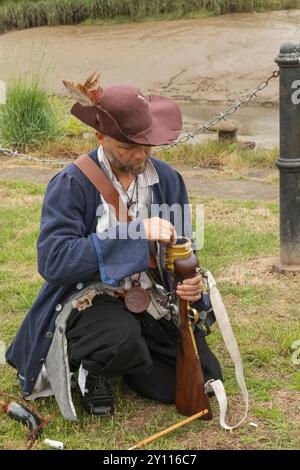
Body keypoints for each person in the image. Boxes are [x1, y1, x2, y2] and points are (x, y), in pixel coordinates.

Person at [6, 79, 222, 420]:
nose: (139, 155)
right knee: (119, 340)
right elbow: (54, 261)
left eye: (146, 145)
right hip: (89, 301)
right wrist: (136, 234)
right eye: (127, 147)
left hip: (149, 300)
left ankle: (130, 359)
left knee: (198, 376)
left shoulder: (168, 180)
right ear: (101, 138)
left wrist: (190, 281)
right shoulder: (71, 184)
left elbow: (184, 247)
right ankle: (92, 370)